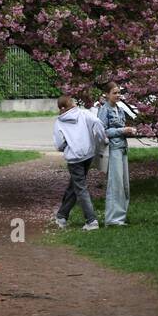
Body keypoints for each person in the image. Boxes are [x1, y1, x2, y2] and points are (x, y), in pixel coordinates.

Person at [52, 94, 106, 231]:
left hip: (74, 158)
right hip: (88, 155)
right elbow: (98, 123)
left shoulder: (59, 122)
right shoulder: (84, 113)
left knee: (80, 188)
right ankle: (62, 216)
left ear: (61, 108)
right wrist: (100, 140)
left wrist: (67, 147)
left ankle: (91, 220)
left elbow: (58, 144)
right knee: (74, 186)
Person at [97, 80, 140, 225]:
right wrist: (122, 130)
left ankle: (121, 215)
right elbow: (102, 131)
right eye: (114, 93)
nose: (117, 95)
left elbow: (120, 129)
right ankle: (112, 218)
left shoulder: (120, 109)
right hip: (113, 149)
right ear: (107, 94)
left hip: (122, 148)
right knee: (115, 184)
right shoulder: (104, 109)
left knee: (124, 184)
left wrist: (129, 131)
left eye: (119, 92)